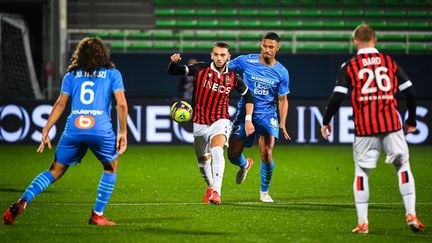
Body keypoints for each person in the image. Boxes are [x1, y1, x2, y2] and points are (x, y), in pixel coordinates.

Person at [2, 37, 128, 226]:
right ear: (102, 53)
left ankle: (24, 200)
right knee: (111, 167)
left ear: (80, 55)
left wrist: (46, 128)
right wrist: (123, 132)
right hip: (99, 129)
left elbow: (61, 103)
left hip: (74, 129)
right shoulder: (113, 74)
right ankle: (97, 215)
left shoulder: (71, 76)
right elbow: (122, 104)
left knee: (54, 171)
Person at [320, 24, 424, 234]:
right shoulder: (389, 62)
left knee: (362, 173)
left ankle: (363, 223)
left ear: (355, 41)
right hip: (391, 125)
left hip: (365, 128)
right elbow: (411, 94)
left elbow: (337, 97)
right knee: (402, 167)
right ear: (375, 40)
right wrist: (411, 120)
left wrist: (326, 120)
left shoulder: (350, 66)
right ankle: (411, 213)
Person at [168, 42, 255, 205]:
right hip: (200, 122)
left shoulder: (233, 78)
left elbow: (248, 97)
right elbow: (174, 71)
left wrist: (248, 119)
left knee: (217, 150)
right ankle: (210, 186)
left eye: (223, 55)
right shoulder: (199, 69)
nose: (219, 58)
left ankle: (217, 192)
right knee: (202, 160)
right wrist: (173, 63)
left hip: (220, 119)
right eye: (216, 54)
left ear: (228, 57)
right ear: (211, 55)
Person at [227, 32, 290, 203]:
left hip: (267, 114)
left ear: (277, 48)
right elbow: (223, 69)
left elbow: (283, 100)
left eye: (271, 47)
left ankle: (264, 191)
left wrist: (282, 122)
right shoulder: (246, 60)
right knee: (232, 155)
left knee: (267, 153)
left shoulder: (282, 72)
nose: (267, 50)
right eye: (265, 46)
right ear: (261, 44)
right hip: (244, 112)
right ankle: (244, 164)